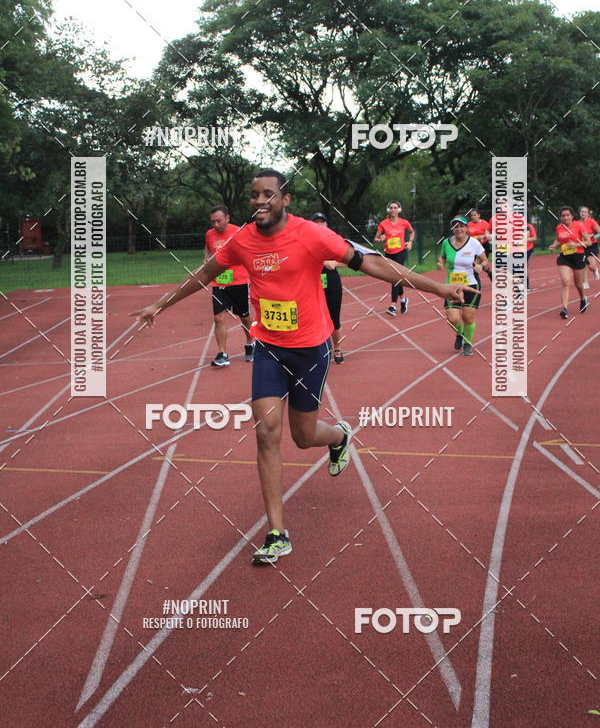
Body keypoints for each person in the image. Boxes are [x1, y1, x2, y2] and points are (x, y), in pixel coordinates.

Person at [132, 169, 468, 566]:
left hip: (310, 349)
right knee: (266, 432)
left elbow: (373, 265)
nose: (260, 201)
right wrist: (160, 304)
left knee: (303, 436)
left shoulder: (312, 234)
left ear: (285, 200)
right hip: (270, 347)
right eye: (254, 195)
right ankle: (277, 532)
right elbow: (205, 274)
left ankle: (338, 437)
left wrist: (438, 288)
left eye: (269, 194)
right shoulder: (242, 241)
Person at [204, 206, 254, 367]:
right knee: (218, 318)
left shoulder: (239, 232)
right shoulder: (209, 234)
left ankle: (250, 343)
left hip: (238, 281)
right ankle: (222, 353)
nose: (216, 225)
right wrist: (207, 259)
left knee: (244, 317)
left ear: (227, 218)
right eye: (213, 222)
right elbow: (208, 248)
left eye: (219, 221)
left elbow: (249, 252)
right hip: (219, 282)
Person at [437, 216, 491, 356]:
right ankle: (460, 334)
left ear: (467, 228)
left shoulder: (474, 244)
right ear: (452, 229)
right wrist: (440, 263)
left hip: (471, 284)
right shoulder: (446, 243)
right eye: (455, 226)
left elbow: (485, 260)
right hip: (452, 285)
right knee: (452, 318)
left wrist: (480, 265)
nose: (459, 229)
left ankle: (467, 343)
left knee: (468, 317)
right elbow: (442, 256)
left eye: (461, 226)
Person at [310, 212, 345, 363]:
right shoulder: (305, 241)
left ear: (326, 224)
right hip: (311, 282)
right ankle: (316, 350)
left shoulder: (334, 240)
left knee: (333, 317)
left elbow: (349, 260)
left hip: (331, 281)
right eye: (316, 222)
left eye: (322, 222)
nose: (319, 225)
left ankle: (337, 348)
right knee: (312, 318)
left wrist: (335, 263)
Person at [548, 206, 591, 318]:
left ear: (572, 216)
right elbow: (558, 240)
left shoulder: (579, 225)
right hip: (565, 257)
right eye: (563, 215)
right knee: (565, 281)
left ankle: (582, 298)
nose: (566, 217)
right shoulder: (559, 228)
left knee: (578, 284)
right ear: (560, 217)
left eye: (568, 215)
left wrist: (576, 244)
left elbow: (589, 242)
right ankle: (564, 308)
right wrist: (554, 245)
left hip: (578, 256)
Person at [374, 201, 415, 315]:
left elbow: (412, 232)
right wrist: (381, 238)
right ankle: (403, 299)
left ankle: (393, 305)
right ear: (388, 210)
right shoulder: (383, 224)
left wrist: (410, 242)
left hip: (401, 252)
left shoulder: (404, 222)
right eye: (391, 208)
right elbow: (376, 238)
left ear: (399, 210)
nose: (393, 210)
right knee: (397, 277)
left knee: (395, 277)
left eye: (395, 208)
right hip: (388, 253)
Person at [578, 206, 600, 287]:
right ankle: (585, 282)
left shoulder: (591, 222)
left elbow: (599, 233)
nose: (583, 213)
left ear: (588, 214)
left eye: (585, 212)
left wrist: (592, 236)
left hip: (592, 245)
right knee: (583, 264)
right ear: (579, 213)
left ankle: (595, 270)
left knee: (591, 266)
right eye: (582, 212)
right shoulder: (577, 223)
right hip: (582, 246)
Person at [525, 218, 537, 291]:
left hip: (528, 249)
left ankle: (526, 284)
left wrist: (524, 239)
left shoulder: (529, 226)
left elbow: (534, 238)